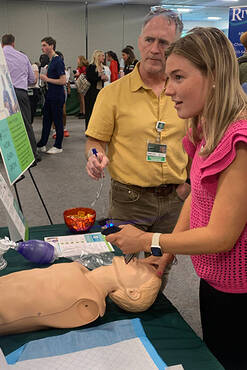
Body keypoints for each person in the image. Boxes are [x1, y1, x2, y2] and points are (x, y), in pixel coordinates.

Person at [106, 27, 247, 370]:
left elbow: (221, 235)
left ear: (214, 76)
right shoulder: (204, 130)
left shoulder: (239, 142)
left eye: (179, 77)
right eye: (168, 77)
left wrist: (146, 239)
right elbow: (196, 199)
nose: (168, 89)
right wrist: (164, 253)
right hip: (214, 281)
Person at [85, 8, 190, 251]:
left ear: (176, 47)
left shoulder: (187, 92)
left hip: (175, 198)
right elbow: (94, 142)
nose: (155, 49)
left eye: (164, 42)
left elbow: (200, 142)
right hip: (129, 199)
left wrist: (189, 185)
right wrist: (94, 157)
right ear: (139, 40)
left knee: (159, 266)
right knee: (124, 268)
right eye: (149, 40)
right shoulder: (112, 94)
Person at [0, 256, 161, 335]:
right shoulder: (82, 271)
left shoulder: (88, 305)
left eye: (142, 269)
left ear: (132, 292)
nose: (140, 260)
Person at [1, 34, 41, 163]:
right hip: (20, 93)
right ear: (13, 43)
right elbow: (32, 80)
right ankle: (33, 155)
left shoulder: (1, 56)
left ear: (2, 44)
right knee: (25, 124)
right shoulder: (23, 57)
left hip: (3, 93)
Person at [37, 36, 66, 155]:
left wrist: (47, 79)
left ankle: (58, 145)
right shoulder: (51, 61)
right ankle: (42, 143)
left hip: (57, 95)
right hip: (50, 95)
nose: (42, 48)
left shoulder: (58, 60)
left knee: (57, 120)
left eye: (44, 45)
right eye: (42, 45)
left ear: (51, 46)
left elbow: (63, 81)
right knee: (46, 119)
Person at [84, 50, 108, 130]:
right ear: (97, 57)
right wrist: (100, 78)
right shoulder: (91, 67)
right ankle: (89, 129)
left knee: (98, 111)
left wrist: (104, 78)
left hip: (100, 91)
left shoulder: (102, 67)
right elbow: (90, 78)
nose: (104, 58)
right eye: (102, 56)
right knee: (90, 111)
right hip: (91, 92)